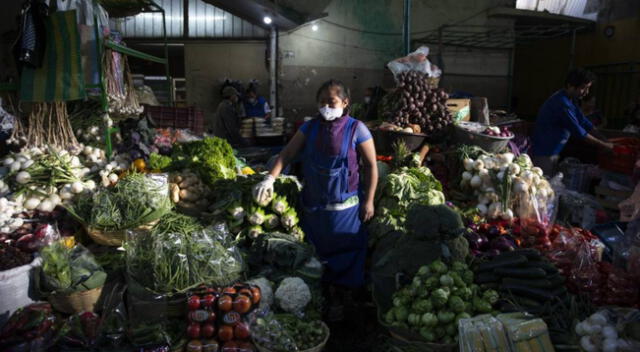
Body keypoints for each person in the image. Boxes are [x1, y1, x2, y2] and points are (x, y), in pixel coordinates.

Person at [252, 79, 378, 320]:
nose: (325, 107)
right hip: (315, 209)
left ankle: (347, 299)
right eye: (321, 103)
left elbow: (372, 166)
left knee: (348, 252)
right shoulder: (309, 128)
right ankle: (323, 299)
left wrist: (369, 200)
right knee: (317, 257)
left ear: (345, 102)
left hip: (346, 211)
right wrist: (269, 178)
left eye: (331, 102)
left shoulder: (357, 128)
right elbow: (287, 154)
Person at [531, 68, 613, 175]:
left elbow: (583, 122)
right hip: (544, 154)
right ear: (570, 85)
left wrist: (604, 139)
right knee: (543, 184)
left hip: (554, 152)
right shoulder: (562, 103)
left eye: (588, 88)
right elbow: (579, 132)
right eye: (583, 88)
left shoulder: (571, 100)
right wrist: (604, 145)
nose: (586, 92)